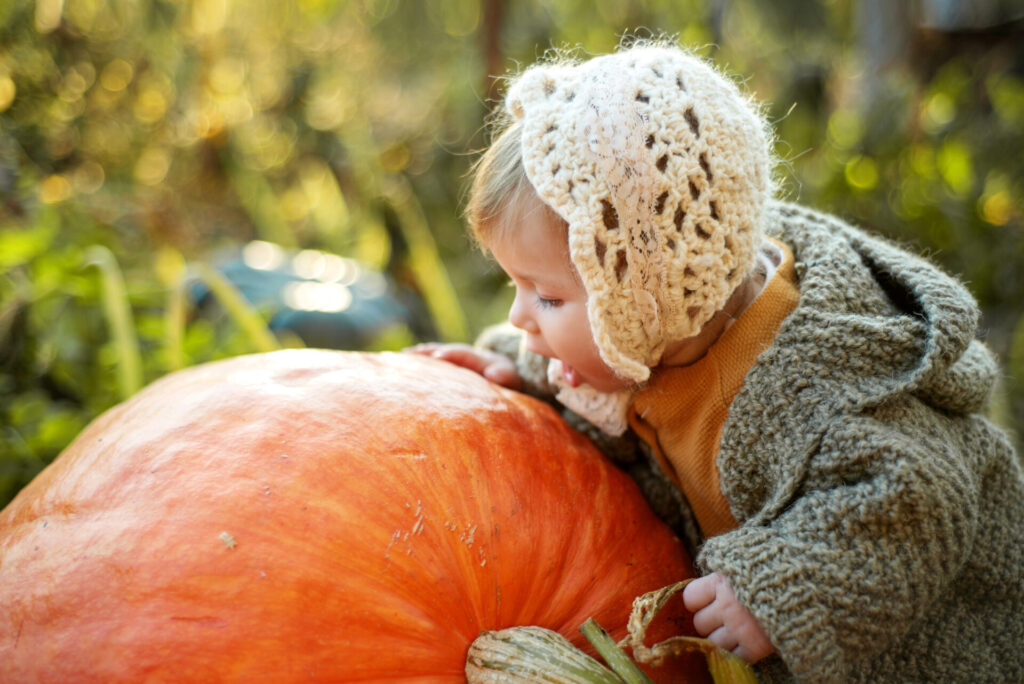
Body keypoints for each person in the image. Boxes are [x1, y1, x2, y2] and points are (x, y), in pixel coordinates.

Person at [408, 40, 1024, 682]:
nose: (518, 316)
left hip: (936, 651)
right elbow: (602, 378)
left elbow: (921, 501)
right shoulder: (667, 331)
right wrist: (515, 366)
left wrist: (783, 585)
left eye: (546, 295)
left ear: (646, 299)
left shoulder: (817, 385)